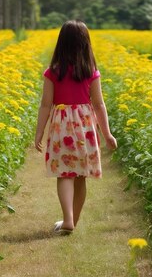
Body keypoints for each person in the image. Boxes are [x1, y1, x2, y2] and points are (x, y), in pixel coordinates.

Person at [34, 20, 118, 236]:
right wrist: (107, 133)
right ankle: (72, 221)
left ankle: (68, 220)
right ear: (85, 44)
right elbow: (99, 104)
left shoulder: (52, 72)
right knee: (81, 176)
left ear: (61, 43)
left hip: (61, 125)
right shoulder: (91, 71)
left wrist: (39, 132)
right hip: (85, 126)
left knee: (65, 174)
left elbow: (45, 104)